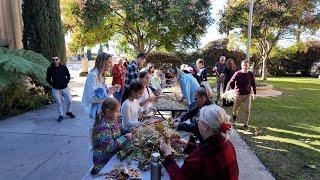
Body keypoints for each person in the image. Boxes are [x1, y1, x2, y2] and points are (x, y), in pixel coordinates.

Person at [161, 104, 239, 180]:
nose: (197, 123)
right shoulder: (227, 143)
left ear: (205, 127)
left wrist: (168, 155)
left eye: (199, 120)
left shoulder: (201, 156)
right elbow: (207, 153)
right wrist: (186, 144)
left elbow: (178, 177)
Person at [82, 52, 115, 167]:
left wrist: (110, 90)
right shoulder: (93, 75)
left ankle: (99, 163)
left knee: (100, 138)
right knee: (94, 140)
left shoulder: (101, 75)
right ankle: (94, 166)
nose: (111, 64)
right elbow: (92, 97)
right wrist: (107, 97)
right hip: (95, 114)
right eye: (109, 62)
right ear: (102, 62)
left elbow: (102, 93)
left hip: (101, 113)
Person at [90, 98, 132, 175]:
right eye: (117, 111)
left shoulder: (114, 120)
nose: (119, 114)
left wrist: (130, 132)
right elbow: (110, 147)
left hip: (113, 157)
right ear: (108, 112)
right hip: (104, 163)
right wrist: (125, 137)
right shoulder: (103, 127)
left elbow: (121, 132)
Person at [226, 60, 256, 131]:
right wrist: (231, 89)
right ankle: (234, 115)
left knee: (247, 110)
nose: (245, 67)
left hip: (247, 95)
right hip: (238, 95)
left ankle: (245, 125)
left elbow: (253, 84)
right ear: (241, 66)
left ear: (248, 66)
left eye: (246, 65)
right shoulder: (237, 73)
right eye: (244, 65)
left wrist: (254, 93)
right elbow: (231, 82)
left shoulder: (251, 74)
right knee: (235, 109)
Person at [46, 56, 75, 122]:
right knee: (59, 102)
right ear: (52, 61)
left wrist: (66, 82)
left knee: (69, 100)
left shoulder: (63, 67)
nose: (55, 61)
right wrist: (52, 84)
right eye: (53, 60)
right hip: (56, 89)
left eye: (56, 59)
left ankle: (69, 112)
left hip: (65, 87)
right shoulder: (49, 69)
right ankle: (60, 115)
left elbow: (68, 75)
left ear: (59, 60)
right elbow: (48, 79)